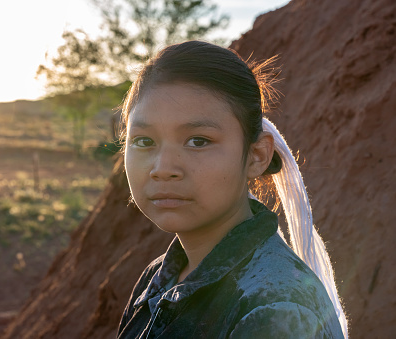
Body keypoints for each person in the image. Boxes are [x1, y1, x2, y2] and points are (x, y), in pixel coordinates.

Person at [117, 41, 348, 338]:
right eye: (144, 141)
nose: (163, 168)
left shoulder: (275, 309)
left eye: (198, 141)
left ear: (256, 156)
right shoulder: (160, 274)